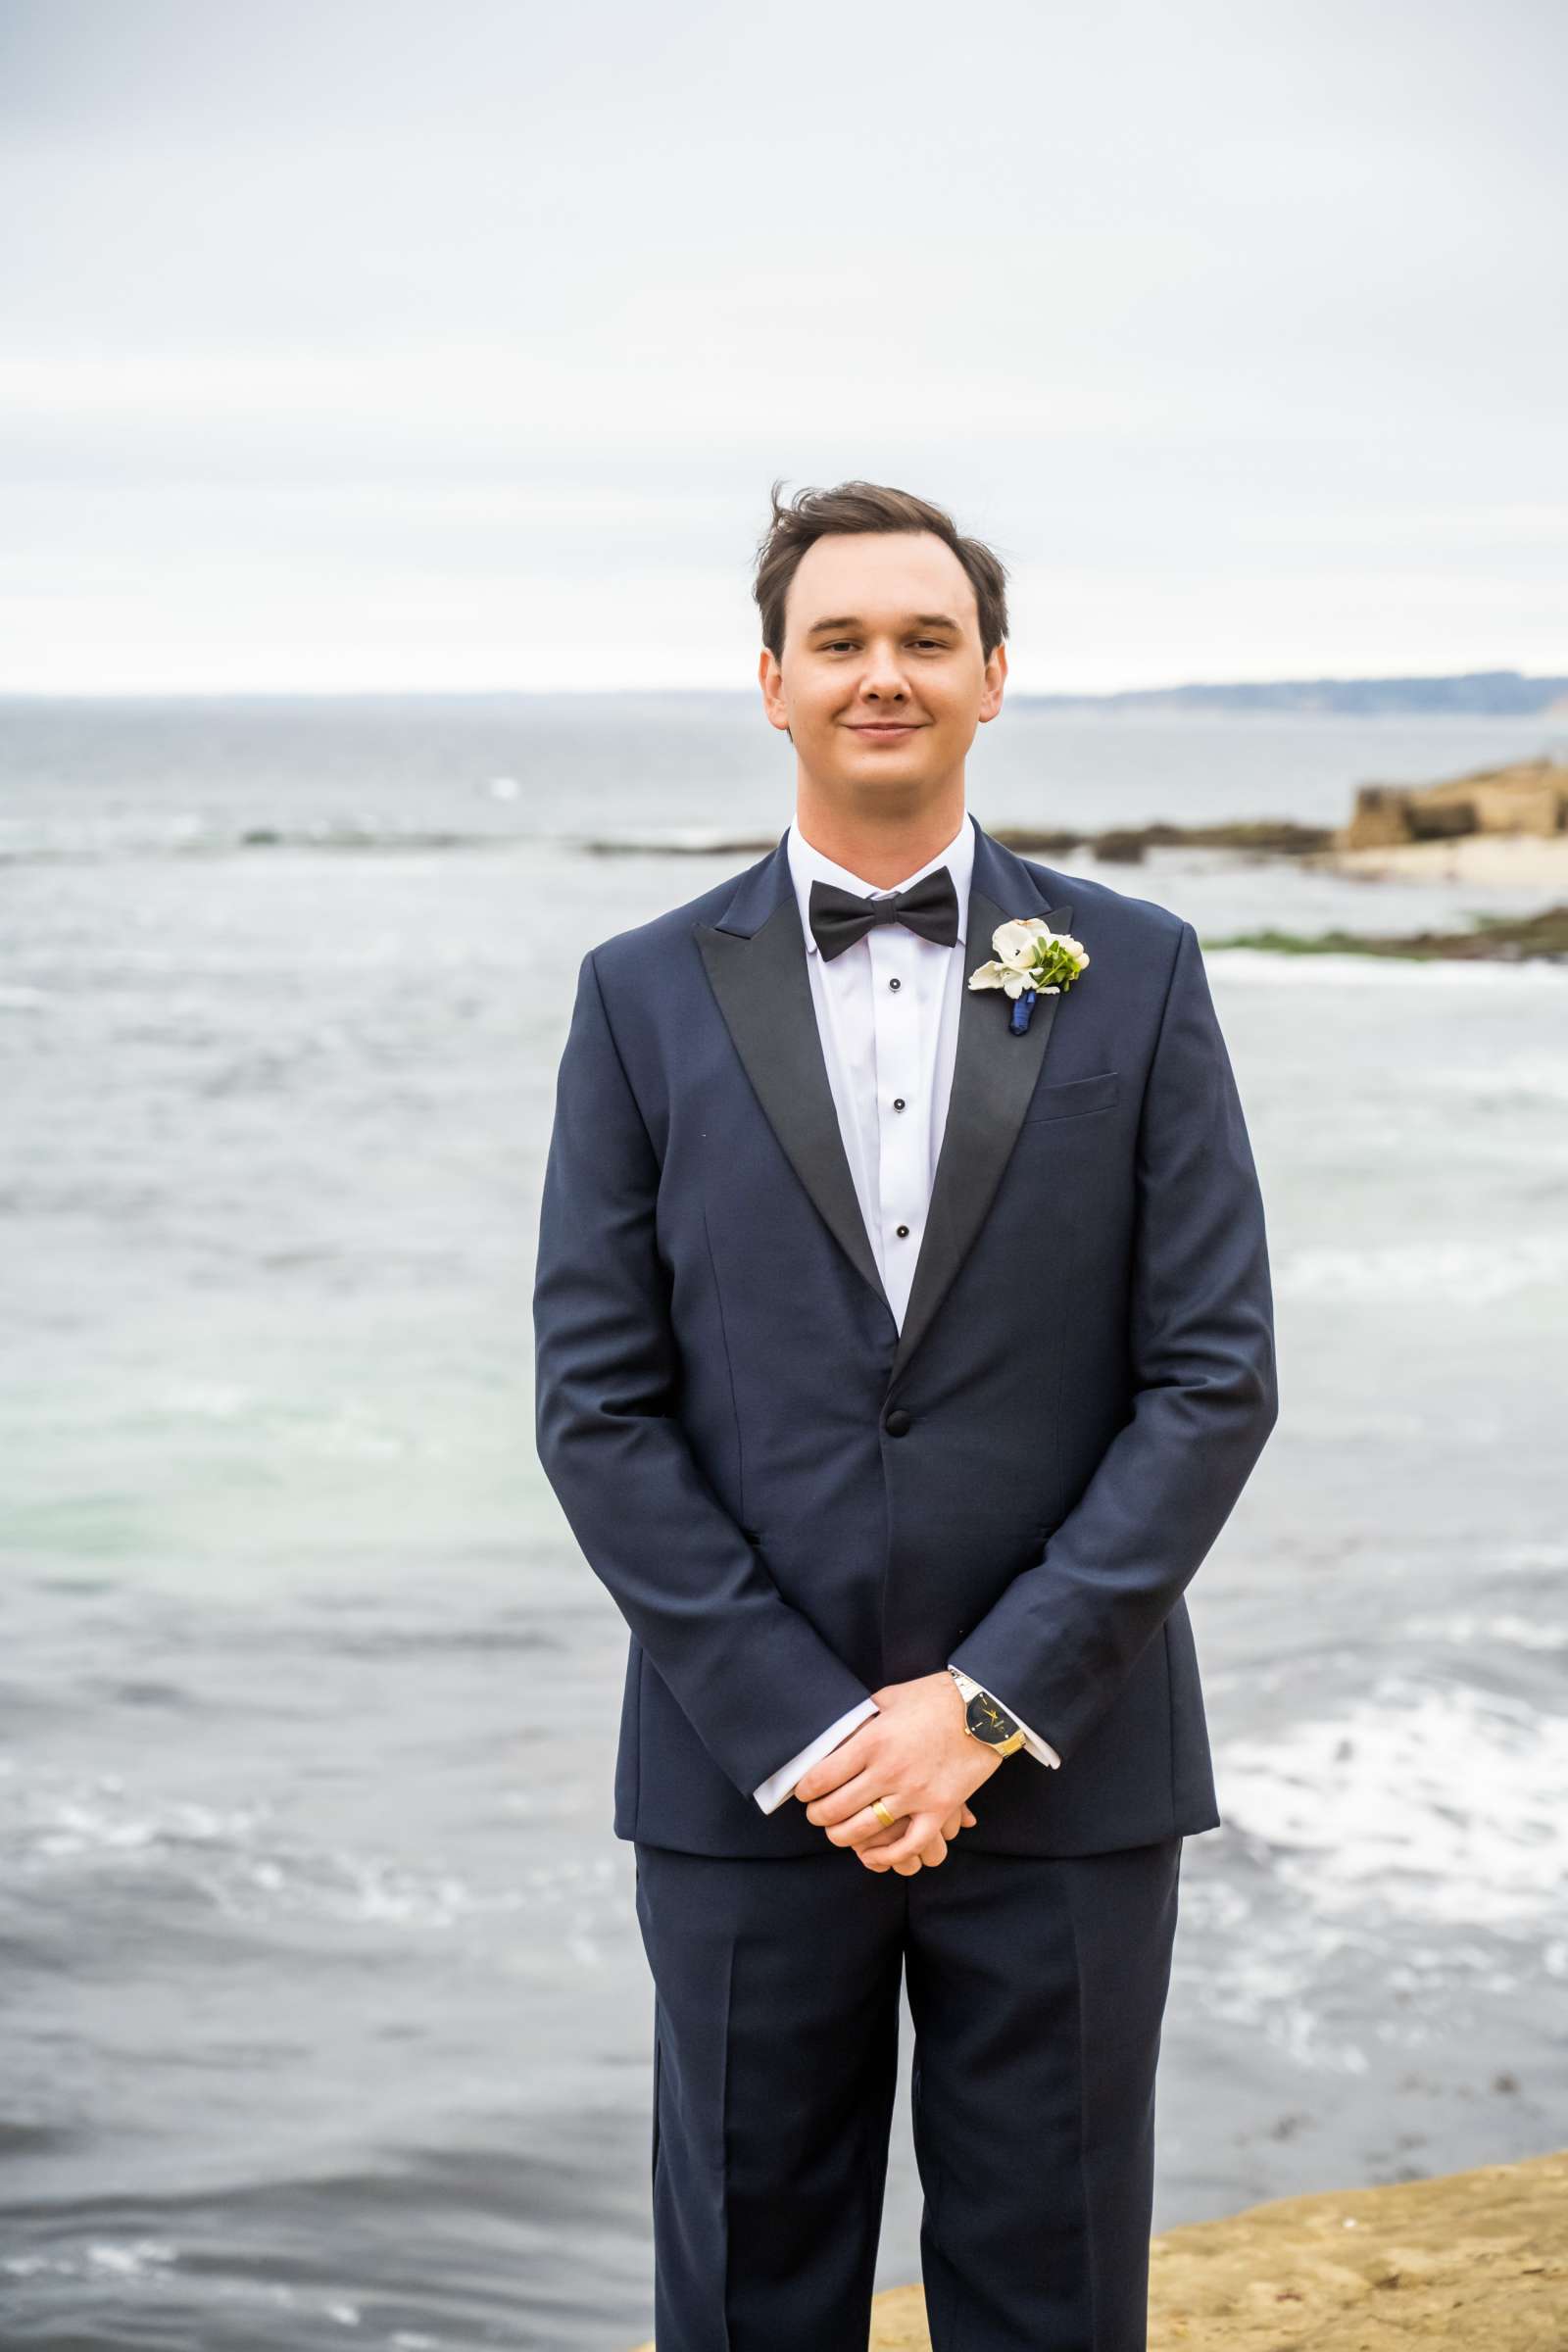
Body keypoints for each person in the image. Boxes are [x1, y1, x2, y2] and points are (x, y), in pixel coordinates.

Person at [532, 477, 1279, 2351]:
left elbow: (1213, 1375)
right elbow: (597, 1403)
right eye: (843, 642)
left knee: (1053, 2299)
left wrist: (989, 1701)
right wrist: (811, 1731)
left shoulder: (1141, 969)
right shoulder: (636, 997)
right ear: (771, 681)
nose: (886, 674)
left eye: (926, 639)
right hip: (744, 1784)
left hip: (1065, 1770)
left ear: (996, 678)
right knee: (746, 2302)